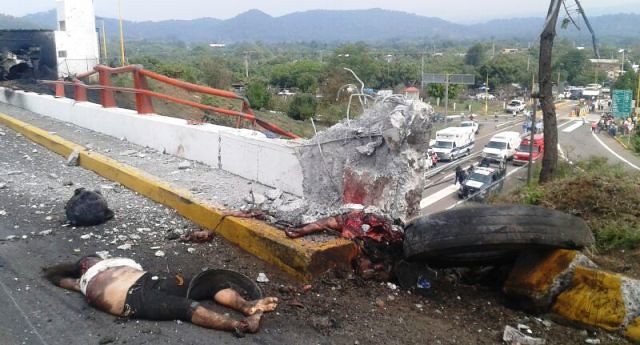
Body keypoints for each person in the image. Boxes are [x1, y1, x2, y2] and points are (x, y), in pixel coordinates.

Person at [43, 255, 278, 335]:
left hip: (149, 280)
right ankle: (241, 325)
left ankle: (248, 306)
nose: (91, 259)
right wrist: (55, 274)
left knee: (210, 282)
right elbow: (58, 278)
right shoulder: (82, 282)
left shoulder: (111, 262)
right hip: (131, 299)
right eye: (86, 261)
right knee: (186, 307)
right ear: (80, 267)